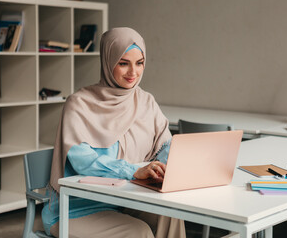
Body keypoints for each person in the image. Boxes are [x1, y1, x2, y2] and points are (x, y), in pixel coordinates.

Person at [42, 27, 186, 238]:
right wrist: (133, 171)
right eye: (123, 63)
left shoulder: (146, 101)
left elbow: (166, 144)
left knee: (172, 212)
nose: (133, 73)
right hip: (76, 209)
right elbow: (82, 161)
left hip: (125, 201)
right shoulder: (79, 103)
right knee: (140, 232)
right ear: (108, 62)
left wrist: (173, 166)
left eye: (139, 63)